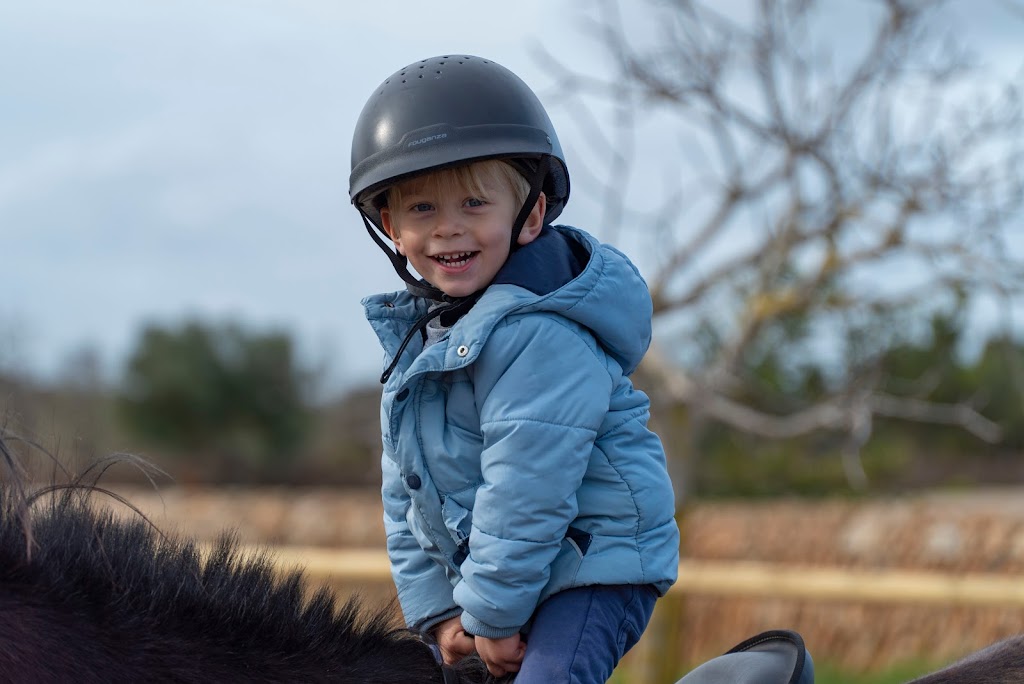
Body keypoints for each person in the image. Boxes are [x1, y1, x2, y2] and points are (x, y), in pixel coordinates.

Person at [348, 54, 680, 683]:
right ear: (390, 226)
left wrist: (492, 616)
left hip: (592, 567)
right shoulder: (415, 351)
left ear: (528, 216)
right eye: (421, 210)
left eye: (474, 203)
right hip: (498, 581)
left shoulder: (540, 335)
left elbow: (528, 484)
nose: (448, 228)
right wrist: (439, 613)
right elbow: (405, 496)